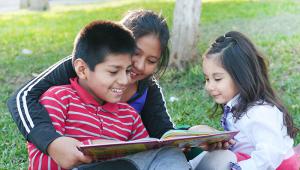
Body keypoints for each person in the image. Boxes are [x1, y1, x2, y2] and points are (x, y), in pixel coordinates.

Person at [7, 10, 175, 169]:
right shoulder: (80, 68)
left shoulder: (146, 89)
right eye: (136, 53)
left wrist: (185, 140)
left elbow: (160, 131)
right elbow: (22, 97)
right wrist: (52, 142)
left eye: (151, 60)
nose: (139, 66)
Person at [194, 31, 299, 170]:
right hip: (248, 161)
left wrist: (237, 168)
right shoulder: (237, 105)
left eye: (217, 79)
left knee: (219, 160)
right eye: (207, 79)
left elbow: (270, 156)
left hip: (272, 166)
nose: (209, 86)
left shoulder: (261, 112)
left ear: (241, 76)